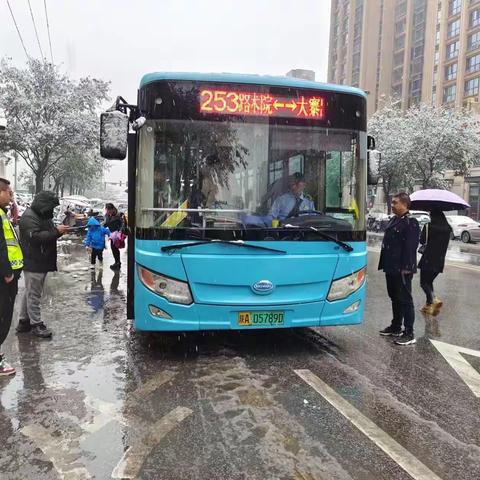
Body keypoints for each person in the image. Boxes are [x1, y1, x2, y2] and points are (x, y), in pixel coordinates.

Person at [17, 191, 69, 338]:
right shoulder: (29, 217)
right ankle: (36, 324)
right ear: (43, 205)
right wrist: (56, 232)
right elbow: (36, 238)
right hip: (34, 261)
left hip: (39, 260)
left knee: (30, 292)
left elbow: (45, 232)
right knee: (34, 294)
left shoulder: (40, 215)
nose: (51, 211)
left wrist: (56, 230)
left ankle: (24, 321)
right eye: (50, 207)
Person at [378, 192, 420, 346]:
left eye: (395, 202)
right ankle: (396, 326)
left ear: (405, 204)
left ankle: (409, 333)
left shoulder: (411, 222)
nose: (393, 205)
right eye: (392, 202)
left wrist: (407, 267)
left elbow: (411, 247)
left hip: (402, 269)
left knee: (405, 300)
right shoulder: (395, 220)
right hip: (391, 266)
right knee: (394, 297)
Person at [0, 178, 23, 376]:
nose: (11, 197)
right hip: (5, 277)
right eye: (8, 192)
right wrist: (7, 272)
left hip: (9, 273)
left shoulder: (3, 214)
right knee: (3, 316)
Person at [418, 210, 452, 315]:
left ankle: (433, 299)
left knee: (424, 283)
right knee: (429, 282)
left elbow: (422, 241)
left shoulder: (429, 226)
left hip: (428, 259)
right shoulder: (448, 228)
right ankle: (429, 306)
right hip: (440, 260)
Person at [104, 203, 124, 270]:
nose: (108, 211)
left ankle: (117, 263)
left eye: (109, 210)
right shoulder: (107, 215)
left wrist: (120, 231)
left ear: (113, 209)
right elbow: (106, 224)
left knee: (115, 247)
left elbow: (122, 224)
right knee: (114, 248)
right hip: (112, 233)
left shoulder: (118, 215)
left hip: (117, 234)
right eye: (107, 210)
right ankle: (117, 262)